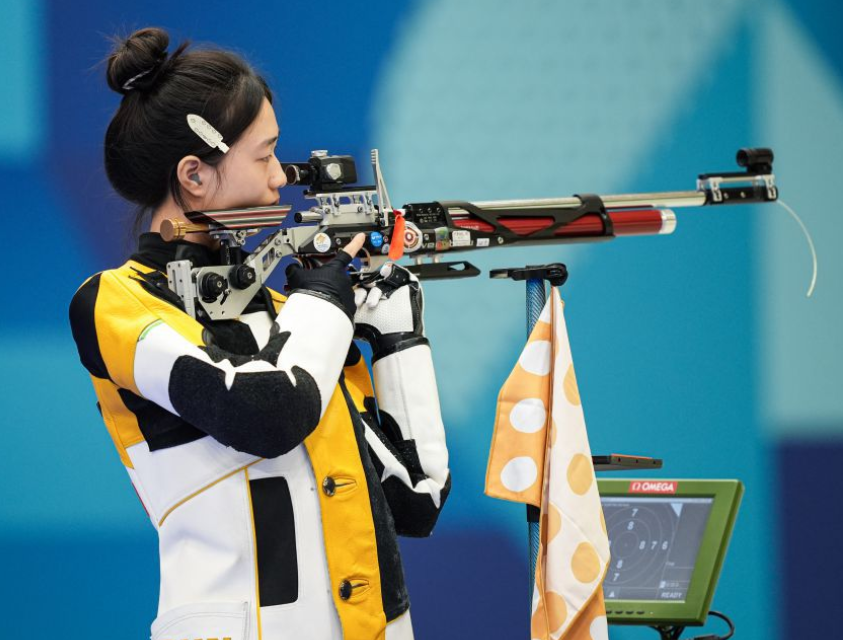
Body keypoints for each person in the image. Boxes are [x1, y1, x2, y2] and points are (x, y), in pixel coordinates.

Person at [68, 27, 450, 640]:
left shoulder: (289, 318)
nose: (280, 178)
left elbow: (416, 500)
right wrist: (325, 297)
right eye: (265, 155)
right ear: (194, 175)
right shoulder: (114, 304)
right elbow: (268, 414)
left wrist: (396, 339)